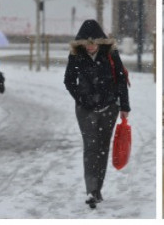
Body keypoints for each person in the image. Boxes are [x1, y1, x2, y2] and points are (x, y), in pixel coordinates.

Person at [64, 20, 130, 209]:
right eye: (87, 43)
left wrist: (124, 106)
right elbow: (68, 81)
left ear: (100, 42)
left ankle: (98, 188)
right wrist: (81, 98)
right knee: (91, 147)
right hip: (85, 110)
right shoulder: (76, 56)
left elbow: (121, 80)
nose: (90, 46)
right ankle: (92, 190)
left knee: (103, 148)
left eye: (94, 42)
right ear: (81, 43)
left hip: (109, 108)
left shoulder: (111, 54)